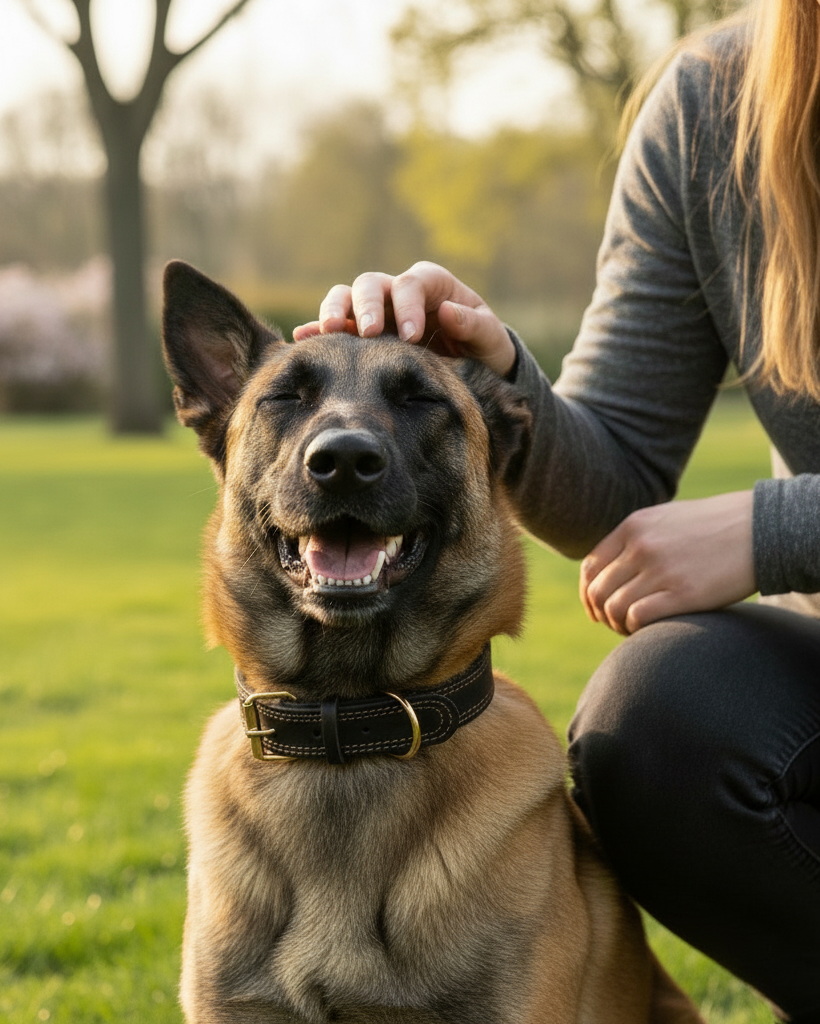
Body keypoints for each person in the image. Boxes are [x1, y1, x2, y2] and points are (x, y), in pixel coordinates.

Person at [292, 1, 820, 1020]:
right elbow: (616, 472)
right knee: (663, 717)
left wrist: (774, 530)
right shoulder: (714, 106)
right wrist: (493, 377)